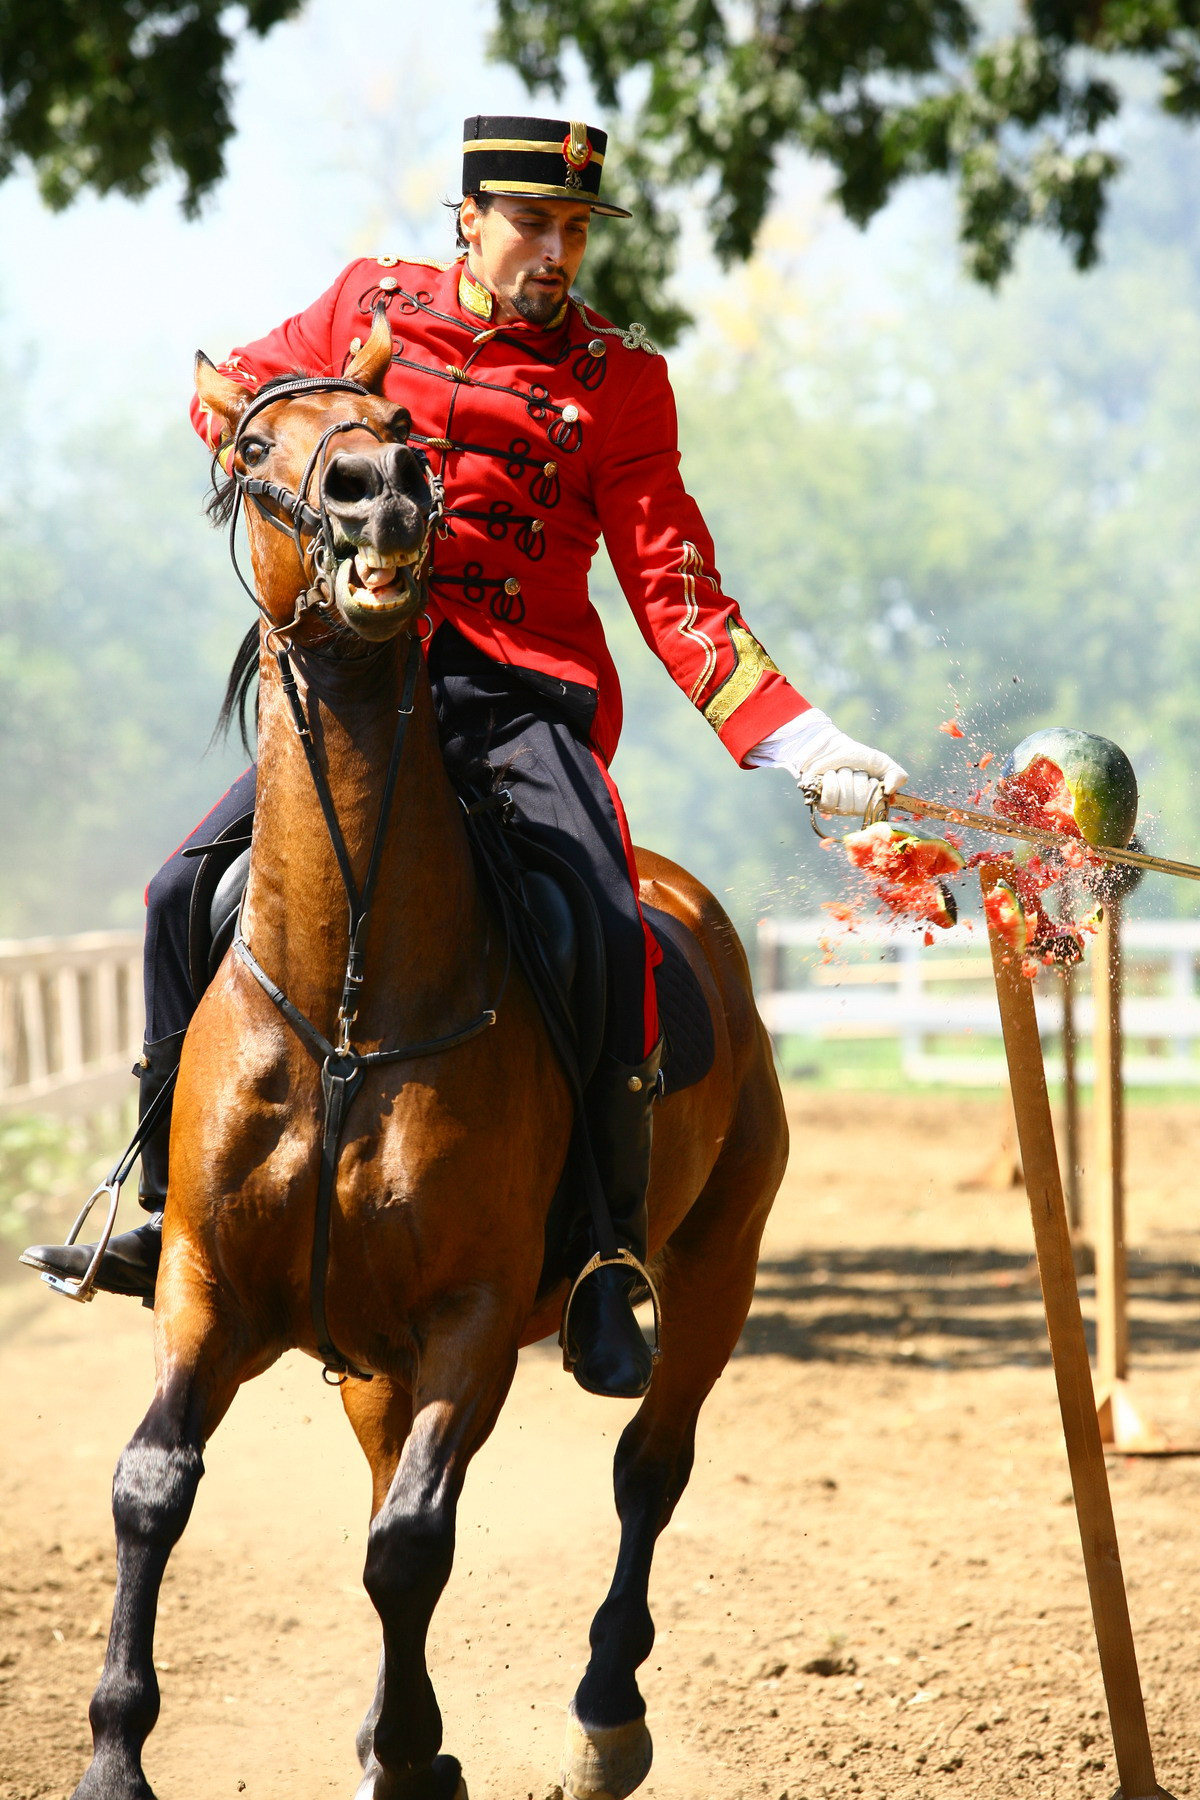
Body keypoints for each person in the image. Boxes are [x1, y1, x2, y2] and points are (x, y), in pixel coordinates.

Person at [24, 114, 907, 1397]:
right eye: (534, 226)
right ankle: (168, 1212)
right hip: (362, 695)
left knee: (609, 923)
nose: (557, 255)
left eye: (575, 232)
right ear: (468, 221)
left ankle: (605, 1253)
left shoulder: (622, 383)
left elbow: (674, 588)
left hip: (522, 707)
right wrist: (242, 447)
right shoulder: (363, 307)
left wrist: (798, 739)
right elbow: (244, 404)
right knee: (175, 896)